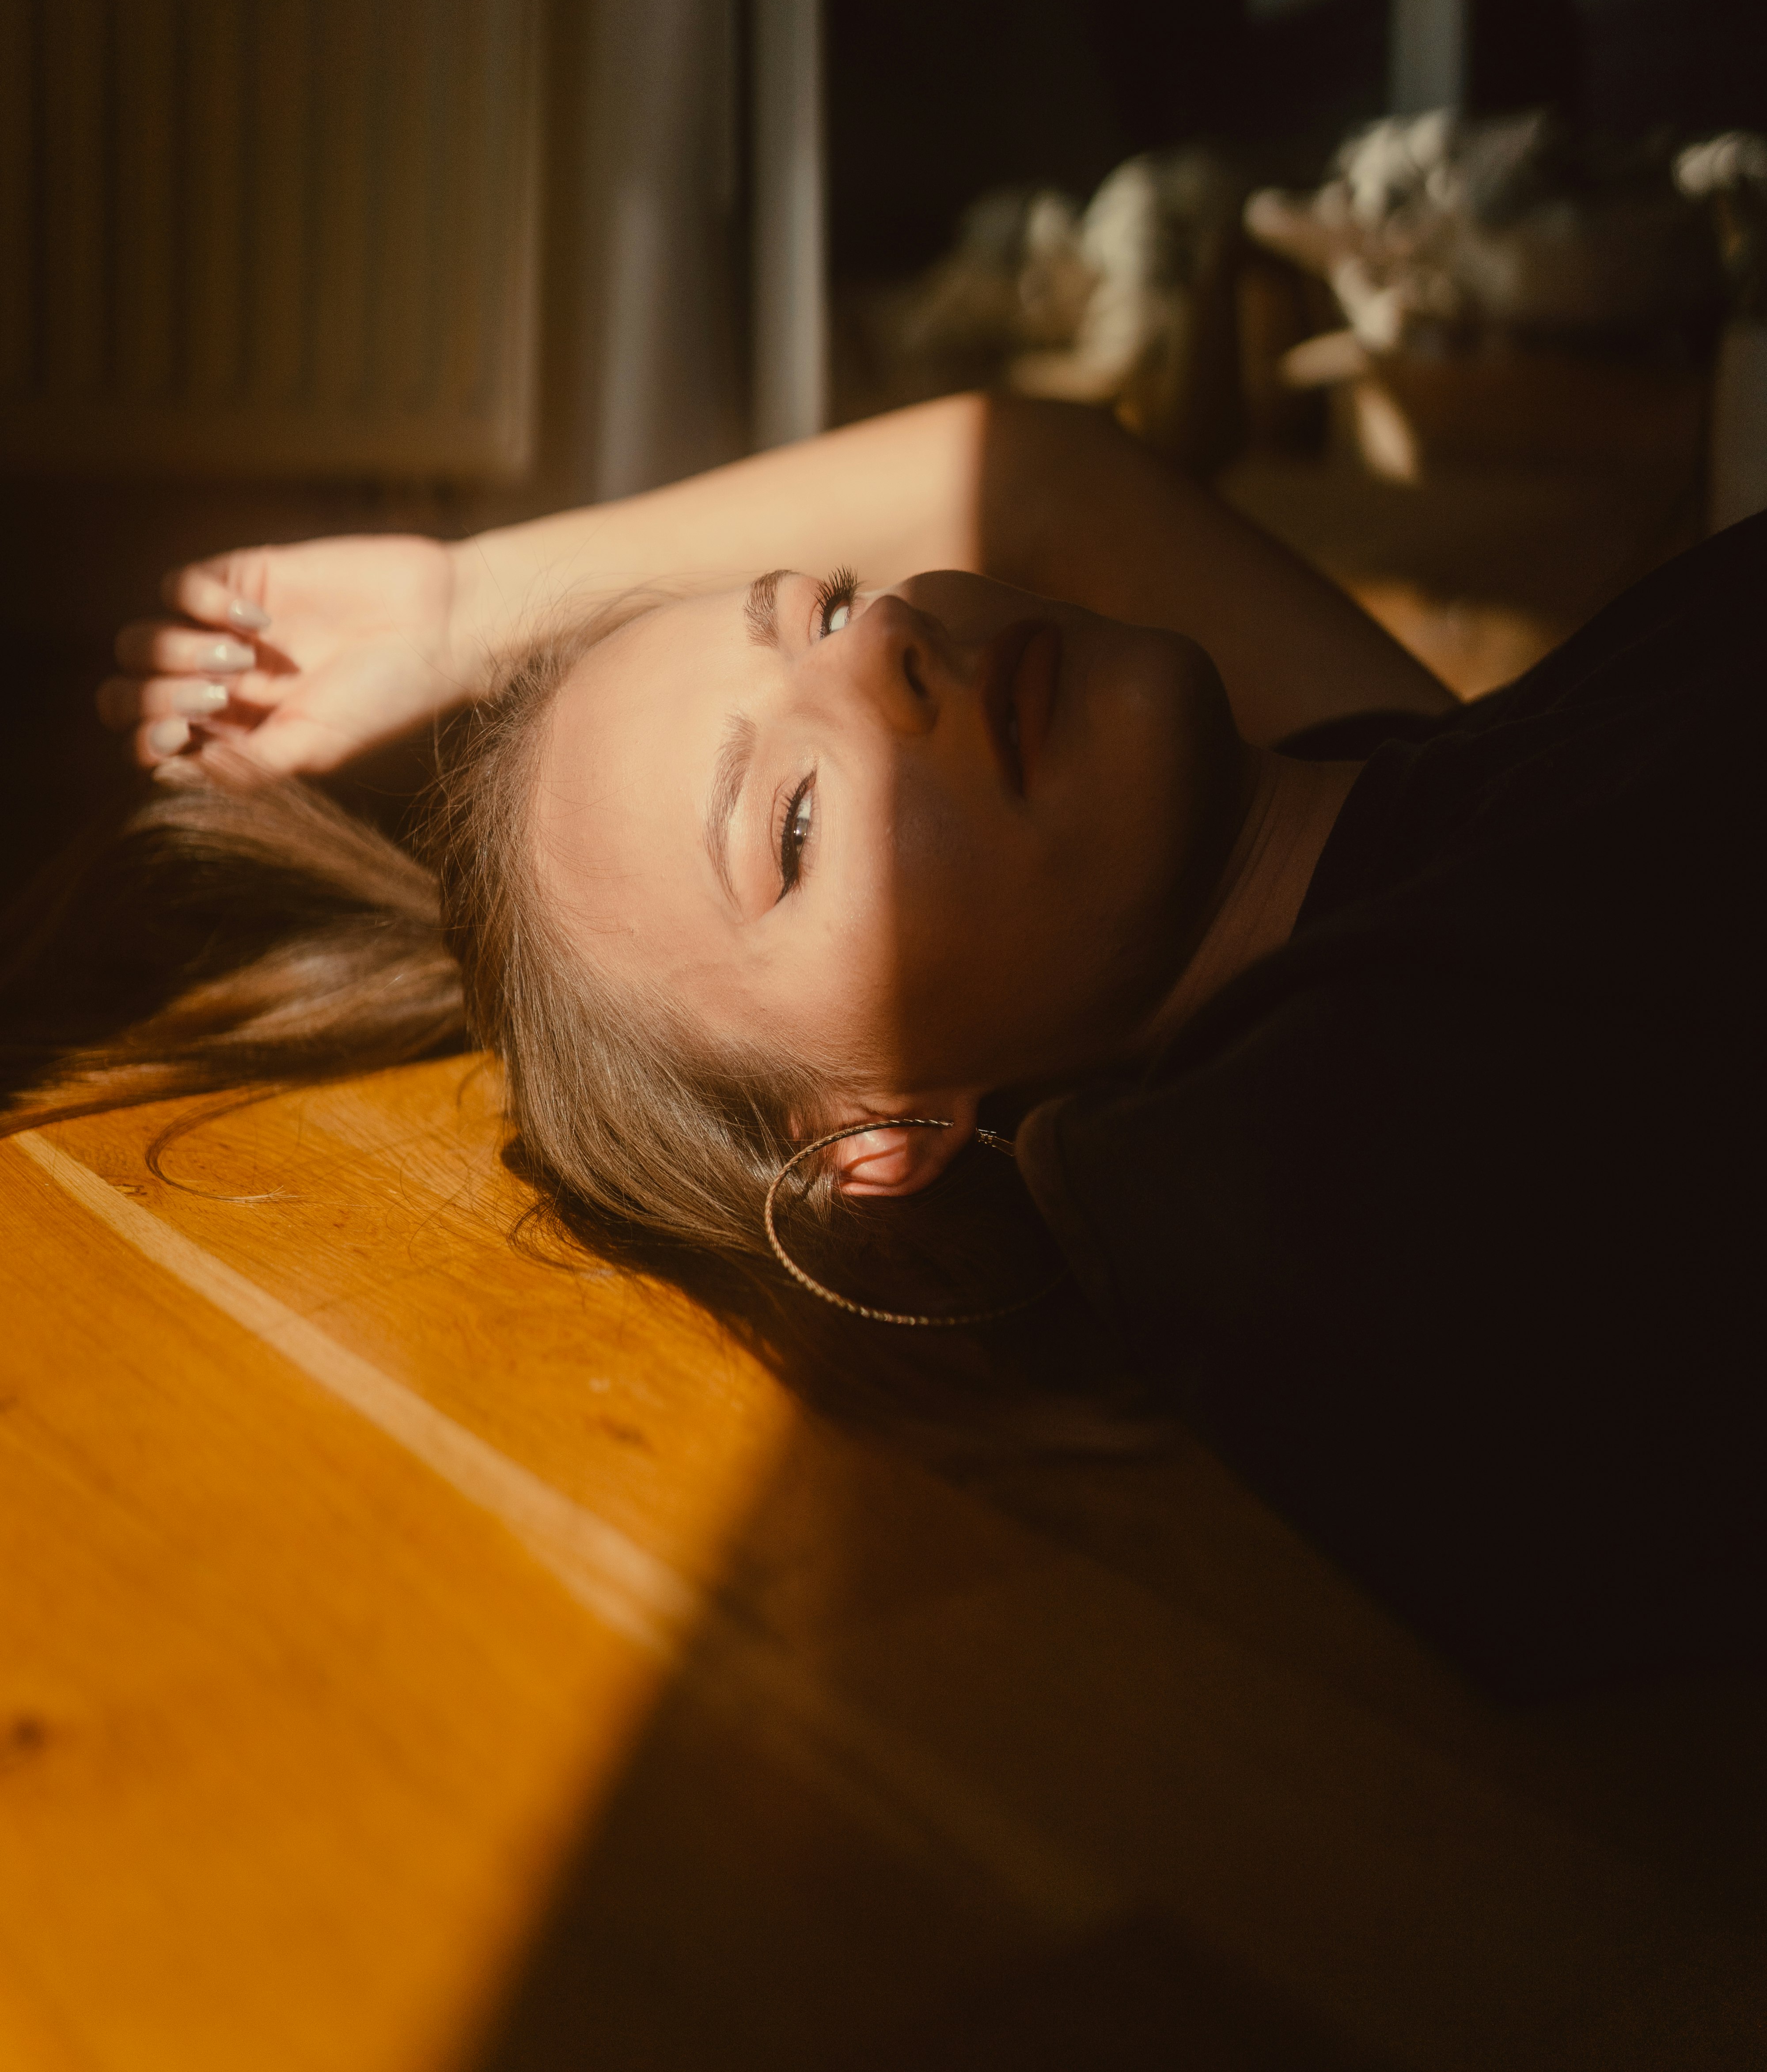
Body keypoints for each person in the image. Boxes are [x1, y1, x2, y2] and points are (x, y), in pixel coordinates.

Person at [8, 394, 1763, 1697]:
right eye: (786, 830)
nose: (894, 655)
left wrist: (469, 605)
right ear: (878, 1135)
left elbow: (1035, 477)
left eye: (829, 613)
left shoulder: (1384, 800)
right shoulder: (1353, 1144)